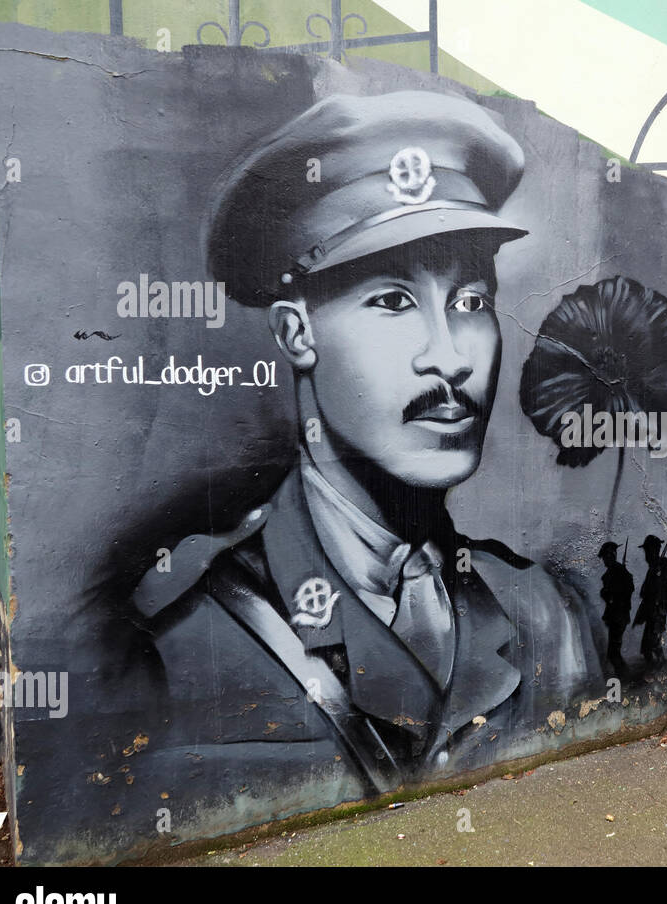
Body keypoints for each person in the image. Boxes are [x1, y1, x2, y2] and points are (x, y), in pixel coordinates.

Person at [129, 90, 601, 798]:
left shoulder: (543, 613)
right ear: (297, 332)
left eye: (471, 303)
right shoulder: (185, 636)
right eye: (392, 301)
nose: (449, 358)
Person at [633, 535, 667, 664]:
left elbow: (665, 588)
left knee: (653, 644)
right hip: (651, 611)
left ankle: (660, 669)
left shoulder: (663, 565)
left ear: (654, 550)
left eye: (648, 551)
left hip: (657, 611)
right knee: (648, 646)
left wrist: (659, 604)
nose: (646, 554)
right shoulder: (653, 568)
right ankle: (656, 669)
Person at [598, 541, 635, 674]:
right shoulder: (612, 572)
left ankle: (625, 676)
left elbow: (629, 589)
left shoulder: (619, 571)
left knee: (613, 653)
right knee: (613, 652)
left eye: (606, 557)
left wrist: (612, 593)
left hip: (619, 616)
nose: (604, 560)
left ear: (612, 555)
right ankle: (623, 675)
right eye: (603, 557)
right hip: (615, 616)